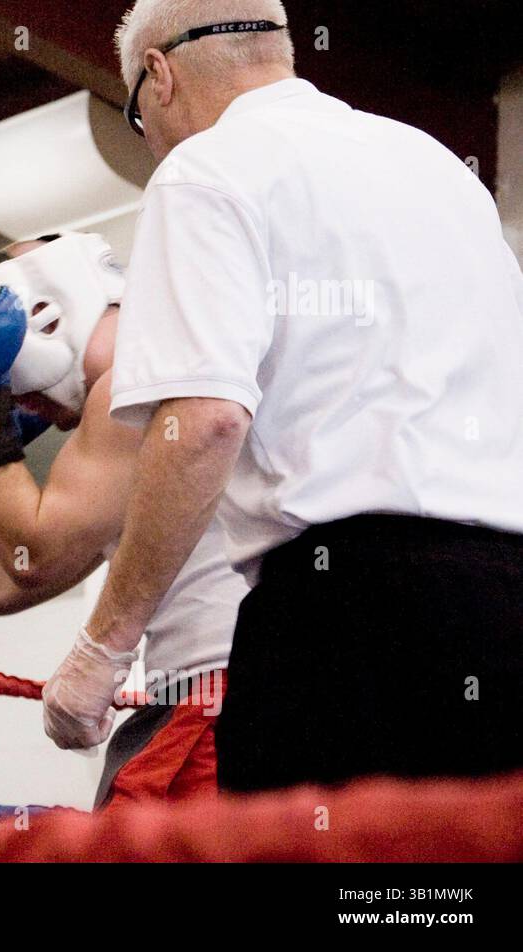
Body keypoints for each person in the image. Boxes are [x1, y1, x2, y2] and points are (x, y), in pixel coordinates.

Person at [50, 0, 523, 792]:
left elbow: (204, 422)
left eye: (136, 114)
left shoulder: (207, 166)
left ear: (159, 77)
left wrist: (102, 649)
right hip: (505, 604)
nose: (151, 137)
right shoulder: (441, 166)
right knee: (445, 900)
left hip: (349, 616)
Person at [0, 232, 244, 811]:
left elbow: (37, 554)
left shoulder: (139, 370)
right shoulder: (159, 375)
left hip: (217, 698)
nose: (27, 409)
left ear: (41, 318)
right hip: (213, 693)